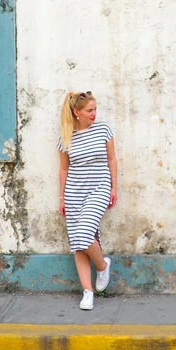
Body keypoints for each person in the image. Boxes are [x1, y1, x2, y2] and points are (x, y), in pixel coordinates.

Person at [57, 91, 118, 310]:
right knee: (78, 244)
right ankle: (87, 291)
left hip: (99, 188)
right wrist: (63, 197)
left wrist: (114, 187)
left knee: (83, 234)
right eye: (89, 110)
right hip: (74, 192)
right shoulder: (66, 138)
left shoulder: (103, 130)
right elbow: (64, 170)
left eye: (95, 110)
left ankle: (102, 266)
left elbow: (112, 159)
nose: (94, 114)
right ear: (77, 113)